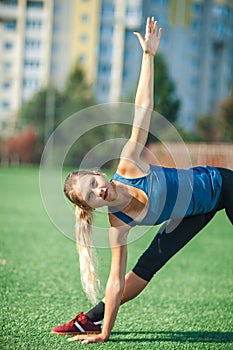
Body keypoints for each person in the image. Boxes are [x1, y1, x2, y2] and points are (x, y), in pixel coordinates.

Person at [52, 17, 233, 344]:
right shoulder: (118, 224)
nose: (98, 190)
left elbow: (143, 108)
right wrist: (105, 333)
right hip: (187, 216)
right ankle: (91, 321)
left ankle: (89, 320)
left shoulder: (129, 163)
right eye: (91, 195)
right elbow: (116, 282)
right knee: (145, 269)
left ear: (98, 173)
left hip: (224, 186)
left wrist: (148, 56)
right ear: (90, 206)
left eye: (94, 183)